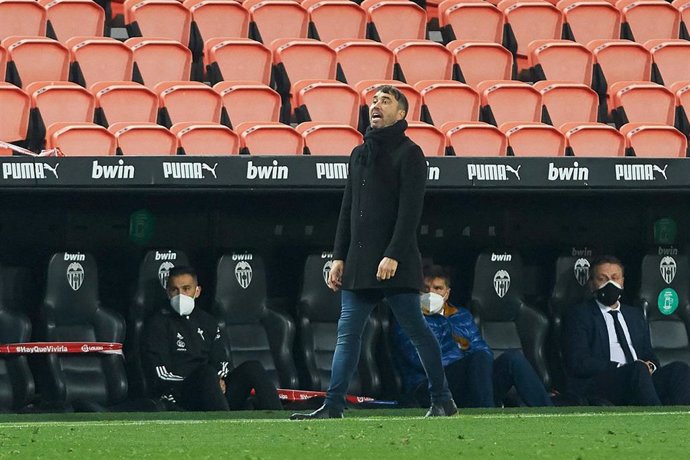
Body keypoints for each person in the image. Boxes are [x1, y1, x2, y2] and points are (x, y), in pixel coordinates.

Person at [291, 86, 457, 419]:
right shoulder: (359, 154)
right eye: (373, 101)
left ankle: (442, 398)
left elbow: (411, 211)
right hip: (360, 262)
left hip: (396, 261)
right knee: (348, 332)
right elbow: (348, 208)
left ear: (401, 113)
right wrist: (338, 256)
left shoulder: (411, 154)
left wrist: (393, 254)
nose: (376, 106)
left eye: (385, 101)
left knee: (417, 331)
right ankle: (334, 405)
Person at [393, 265, 553, 408]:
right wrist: (464, 362)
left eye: (437, 288)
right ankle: (487, 415)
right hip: (429, 387)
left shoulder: (462, 316)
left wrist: (472, 367)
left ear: (447, 293)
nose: (431, 293)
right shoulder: (407, 318)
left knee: (512, 358)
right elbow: (420, 359)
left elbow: (482, 349)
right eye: (426, 288)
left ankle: (550, 416)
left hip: (469, 384)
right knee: (477, 358)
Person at [142, 266, 282, 411]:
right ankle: (223, 427)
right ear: (168, 293)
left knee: (253, 367)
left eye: (186, 289)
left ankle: (280, 420)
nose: (180, 295)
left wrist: (219, 379)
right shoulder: (157, 324)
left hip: (215, 391)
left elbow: (223, 362)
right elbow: (160, 374)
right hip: (181, 395)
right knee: (207, 373)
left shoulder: (208, 321)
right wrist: (206, 380)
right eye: (174, 290)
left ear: (197, 291)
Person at [563, 255, 690, 405]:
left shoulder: (635, 315)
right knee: (637, 369)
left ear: (622, 282)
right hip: (604, 382)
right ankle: (657, 421)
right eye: (602, 279)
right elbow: (579, 362)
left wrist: (651, 366)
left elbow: (649, 355)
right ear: (591, 284)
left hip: (641, 379)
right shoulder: (580, 315)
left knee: (679, 370)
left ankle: (682, 423)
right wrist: (621, 367)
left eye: (615, 278)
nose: (610, 283)